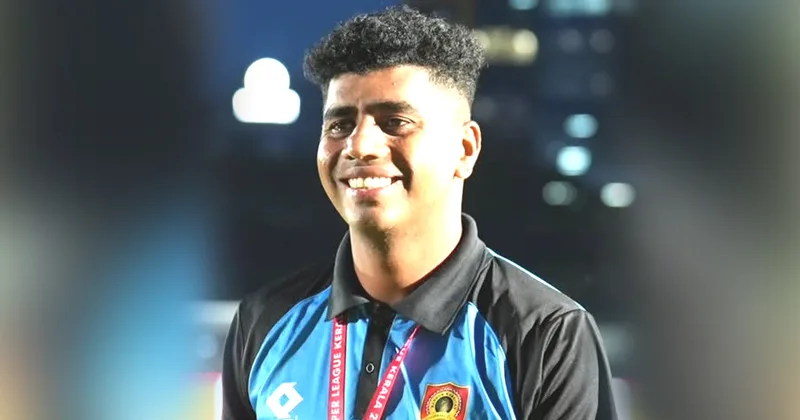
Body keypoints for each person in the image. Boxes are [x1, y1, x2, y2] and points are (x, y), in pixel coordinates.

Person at [222, 6, 617, 420]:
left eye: (395, 121)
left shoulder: (545, 333)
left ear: (465, 149)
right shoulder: (264, 322)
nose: (359, 146)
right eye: (339, 125)